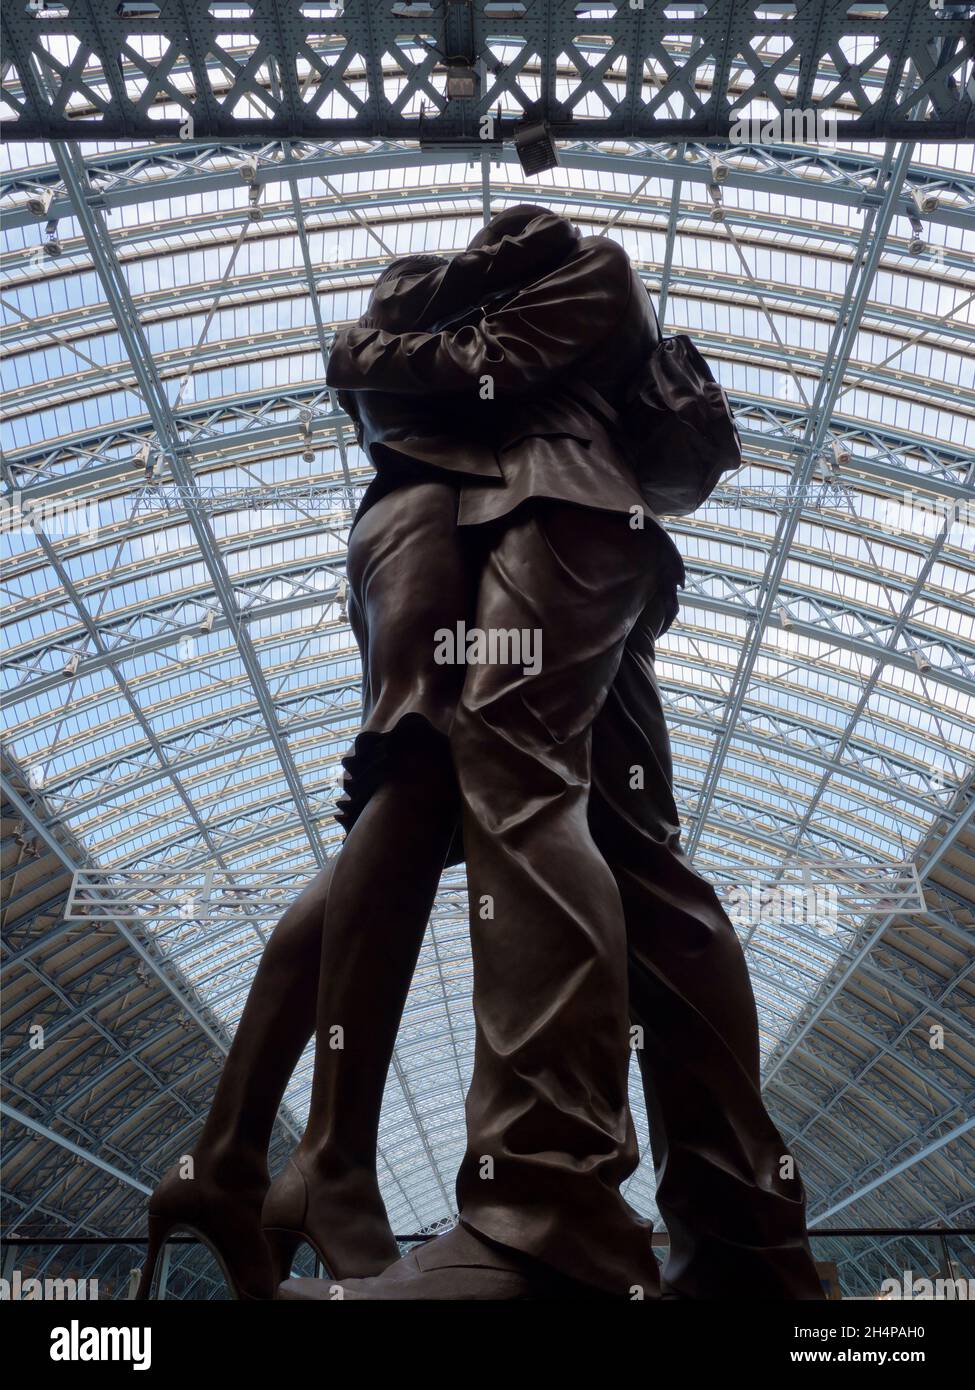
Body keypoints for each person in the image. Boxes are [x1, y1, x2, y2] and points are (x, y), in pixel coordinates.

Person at [140, 208, 822, 1302]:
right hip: (549, 531)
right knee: (623, 859)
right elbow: (403, 367)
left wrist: (377, 347)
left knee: (516, 790)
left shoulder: (588, 271)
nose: (485, 253)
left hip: (562, 515)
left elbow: (455, 367)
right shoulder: (495, 300)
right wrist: (392, 348)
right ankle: (741, 1243)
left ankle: (544, 1219)